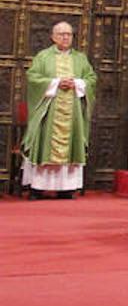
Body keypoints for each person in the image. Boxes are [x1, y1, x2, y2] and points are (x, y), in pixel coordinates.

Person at [22, 22, 97, 199]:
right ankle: (38, 187)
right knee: (44, 144)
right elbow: (33, 78)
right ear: (53, 36)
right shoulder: (43, 57)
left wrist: (78, 83)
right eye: (61, 34)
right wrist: (55, 83)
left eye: (69, 34)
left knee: (71, 144)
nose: (65, 37)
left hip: (72, 111)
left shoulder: (80, 58)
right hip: (49, 111)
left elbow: (91, 78)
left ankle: (67, 188)